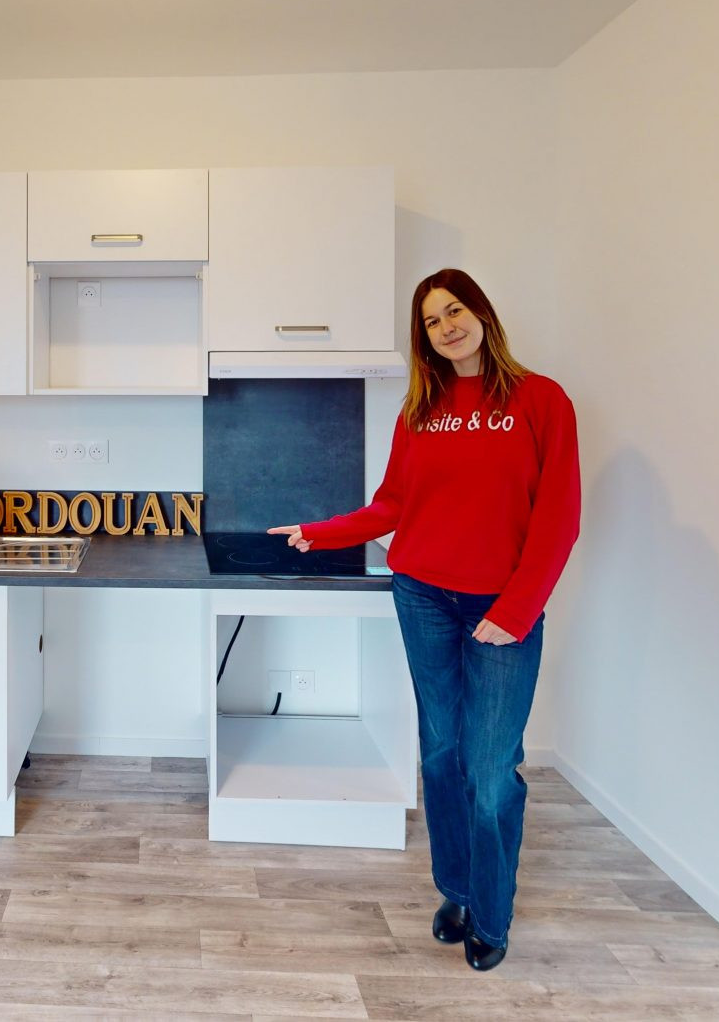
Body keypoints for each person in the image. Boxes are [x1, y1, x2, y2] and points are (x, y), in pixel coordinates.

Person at [269, 268, 579, 972]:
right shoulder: (420, 412)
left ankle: (492, 916)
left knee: (491, 768)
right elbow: (392, 505)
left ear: (482, 313)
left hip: (502, 608)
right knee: (440, 752)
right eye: (432, 321)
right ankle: (458, 891)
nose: (447, 327)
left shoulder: (541, 400)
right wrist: (320, 532)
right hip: (421, 596)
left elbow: (560, 515)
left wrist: (517, 609)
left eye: (455, 310)